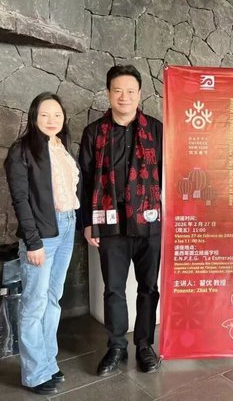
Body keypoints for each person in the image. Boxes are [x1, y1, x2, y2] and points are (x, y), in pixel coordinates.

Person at [79, 65, 163, 375]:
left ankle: (144, 344)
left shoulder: (156, 130)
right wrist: (87, 222)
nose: (124, 97)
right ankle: (116, 346)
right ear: (108, 94)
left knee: (148, 287)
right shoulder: (94, 132)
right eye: (118, 91)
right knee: (113, 288)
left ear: (139, 94)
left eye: (130, 91)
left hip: (149, 222)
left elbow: (168, 173)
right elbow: (84, 179)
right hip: (110, 222)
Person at [4, 93, 79, 395]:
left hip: (67, 226)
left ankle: (48, 362)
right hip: (42, 235)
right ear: (34, 116)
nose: (52, 120)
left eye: (57, 114)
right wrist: (33, 242)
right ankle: (35, 374)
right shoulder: (22, 150)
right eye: (45, 114)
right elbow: (21, 200)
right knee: (34, 303)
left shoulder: (61, 146)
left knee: (52, 298)